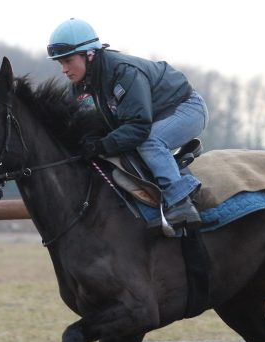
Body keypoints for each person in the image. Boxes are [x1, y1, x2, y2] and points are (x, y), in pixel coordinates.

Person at [47, 18, 209, 230]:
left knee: (149, 142)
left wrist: (101, 145)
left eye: (68, 61)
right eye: (61, 63)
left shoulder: (123, 72)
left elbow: (139, 127)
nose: (64, 70)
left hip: (186, 107)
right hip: (155, 116)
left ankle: (181, 203)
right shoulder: (79, 88)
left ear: (89, 54)